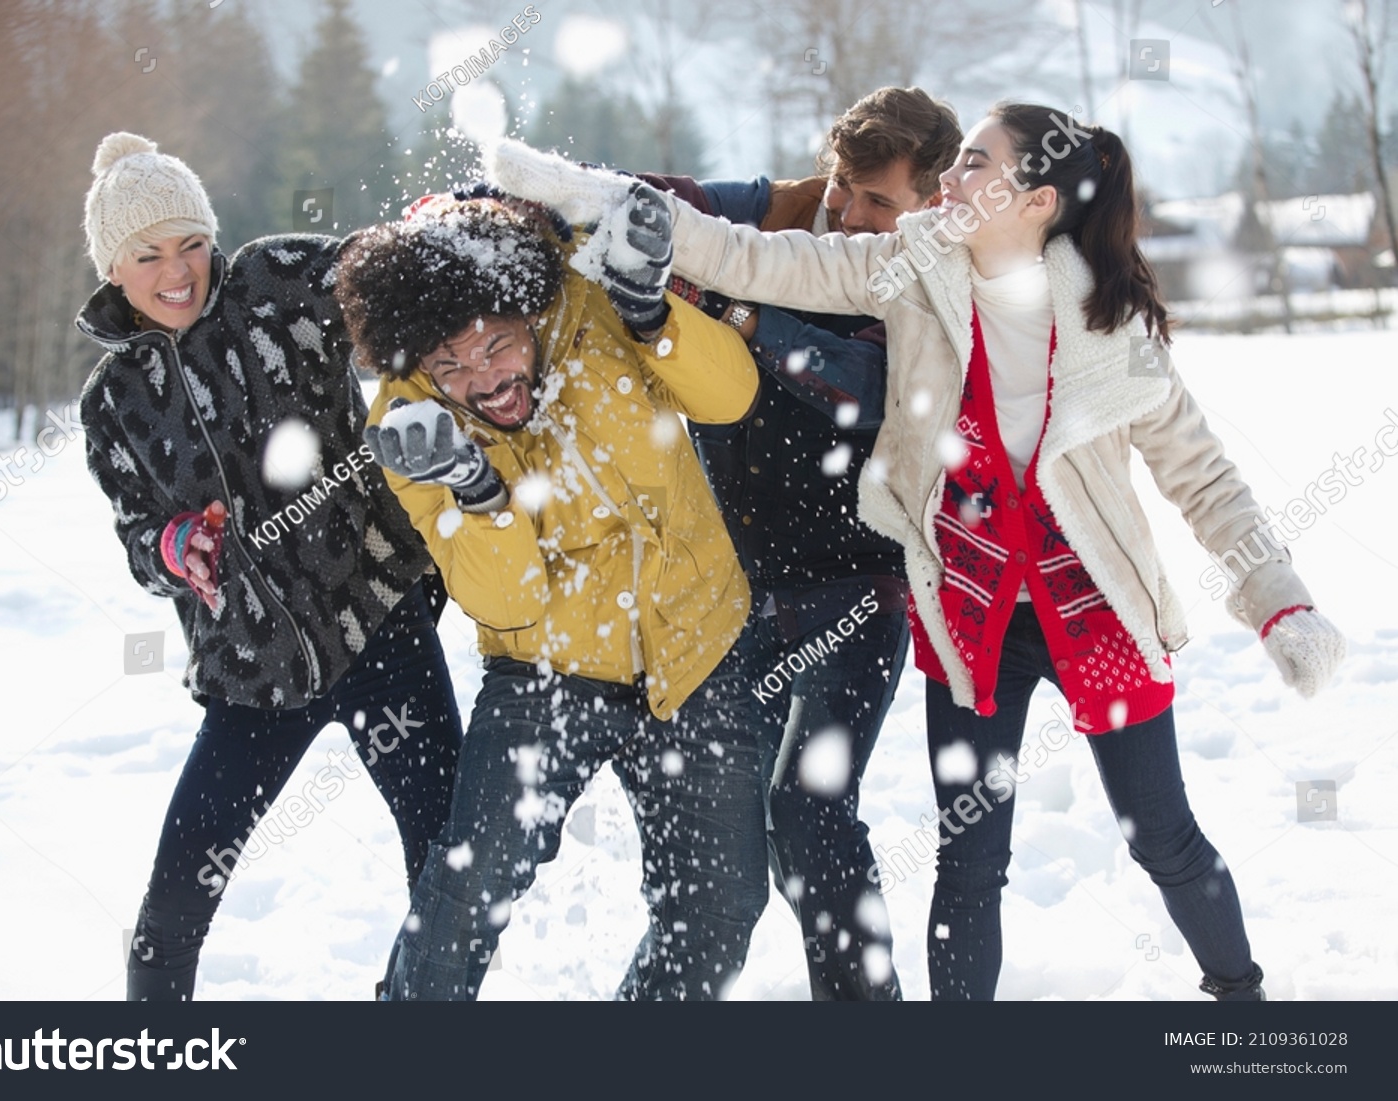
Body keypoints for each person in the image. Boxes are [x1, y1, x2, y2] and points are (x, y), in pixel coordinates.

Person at [487, 103, 1347, 1001]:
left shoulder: (1110, 332)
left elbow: (1203, 478)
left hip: (1098, 615)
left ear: (1035, 200)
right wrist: (589, 194)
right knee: (971, 860)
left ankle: (1243, 1002)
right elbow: (749, 254)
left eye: (975, 164)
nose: (950, 180)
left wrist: (1277, 598)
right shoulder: (913, 266)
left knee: (1161, 836)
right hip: (969, 618)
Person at [335, 191, 772, 1000]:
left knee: (721, 908)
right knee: (462, 905)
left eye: (497, 346)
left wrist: (652, 318)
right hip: (546, 668)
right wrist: (476, 492)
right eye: (451, 365)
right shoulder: (410, 423)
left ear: (529, 310)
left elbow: (732, 395)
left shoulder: (598, 300)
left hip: (693, 647)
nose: (483, 382)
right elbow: (507, 603)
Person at [75, 132, 463, 1000]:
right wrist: (179, 549)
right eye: (148, 255)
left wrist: (453, 221)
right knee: (170, 916)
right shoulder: (113, 404)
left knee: (451, 874)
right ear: (112, 268)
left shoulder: (274, 282)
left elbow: (387, 276)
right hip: (252, 673)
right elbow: (140, 539)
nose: (179, 271)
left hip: (377, 622)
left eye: (190, 244)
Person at [632, 86, 962, 1000]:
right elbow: (657, 196)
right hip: (730, 586)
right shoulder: (773, 210)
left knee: (810, 807)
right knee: (709, 834)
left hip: (856, 582)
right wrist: (532, 199)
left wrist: (735, 312)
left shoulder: (935, 276)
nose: (849, 218)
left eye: (879, 203)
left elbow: (860, 383)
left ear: (930, 203)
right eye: (845, 188)